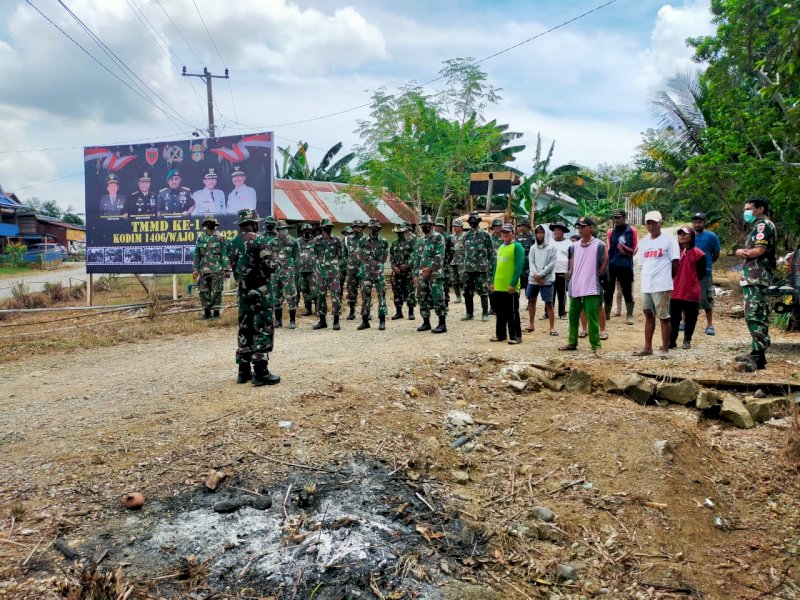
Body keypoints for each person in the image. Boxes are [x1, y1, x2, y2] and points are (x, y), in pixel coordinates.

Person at [227, 208, 279, 386]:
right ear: (255, 223)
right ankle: (261, 372)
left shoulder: (232, 243)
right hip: (260, 293)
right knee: (262, 329)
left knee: (245, 329)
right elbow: (272, 266)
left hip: (242, 294)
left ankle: (243, 372)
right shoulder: (260, 240)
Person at [734, 197, 776, 371]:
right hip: (754, 276)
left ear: (760, 209)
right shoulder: (758, 226)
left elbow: (759, 250)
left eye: (749, 209)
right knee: (755, 313)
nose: (746, 212)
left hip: (757, 276)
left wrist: (742, 253)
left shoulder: (763, 226)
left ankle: (758, 357)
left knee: (754, 314)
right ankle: (756, 352)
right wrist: (739, 251)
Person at [559, 217, 607, 355]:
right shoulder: (573, 246)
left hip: (592, 287)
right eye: (579, 227)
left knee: (593, 318)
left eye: (583, 226)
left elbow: (603, 267)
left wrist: (599, 282)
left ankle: (596, 345)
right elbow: (572, 264)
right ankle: (572, 342)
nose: (580, 229)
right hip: (576, 286)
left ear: (591, 228)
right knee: (573, 317)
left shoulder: (600, 245)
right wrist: (571, 279)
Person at [635, 210, 680, 357]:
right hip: (647, 284)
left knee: (664, 316)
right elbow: (644, 264)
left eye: (654, 222)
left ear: (660, 223)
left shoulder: (669, 240)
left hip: (662, 284)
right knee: (648, 314)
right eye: (648, 223)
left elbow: (675, 261)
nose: (651, 225)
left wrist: (669, 279)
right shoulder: (643, 243)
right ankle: (648, 347)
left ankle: (665, 349)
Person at [669, 226, 706, 349]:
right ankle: (671, 341)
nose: (682, 236)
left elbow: (701, 273)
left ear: (691, 236)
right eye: (680, 234)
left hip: (691, 291)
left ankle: (687, 340)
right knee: (673, 318)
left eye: (685, 234)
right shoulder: (673, 253)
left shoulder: (699, 254)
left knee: (691, 318)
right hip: (675, 291)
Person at [491, 223, 524, 344]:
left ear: (513, 234)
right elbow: (496, 266)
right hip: (498, 285)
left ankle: (515, 336)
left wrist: (513, 284)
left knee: (512, 312)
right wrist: (492, 281)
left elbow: (519, 267)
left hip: (510, 287)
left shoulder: (517, 247)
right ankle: (500, 335)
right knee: (499, 312)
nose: (505, 234)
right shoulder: (500, 247)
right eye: (503, 232)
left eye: (507, 232)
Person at [414, 214, 447, 333]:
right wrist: (415, 275)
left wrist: (429, 268)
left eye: (427, 224)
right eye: (423, 225)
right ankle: (426, 322)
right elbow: (417, 259)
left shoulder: (438, 237)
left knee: (438, 296)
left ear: (431, 225)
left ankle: (442, 324)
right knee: (422, 297)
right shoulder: (420, 241)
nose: (425, 227)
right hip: (422, 273)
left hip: (435, 273)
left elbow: (440, 255)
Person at [605, 209, 638, 325]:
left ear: (624, 217)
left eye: (619, 217)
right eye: (615, 217)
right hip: (612, 265)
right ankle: (607, 313)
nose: (616, 220)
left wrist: (627, 252)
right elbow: (608, 248)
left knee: (627, 291)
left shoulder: (632, 230)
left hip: (625, 265)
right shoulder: (610, 232)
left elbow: (635, 247)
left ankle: (629, 315)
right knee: (609, 291)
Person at [193, 215, 229, 319]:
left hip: (217, 270)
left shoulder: (220, 237)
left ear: (215, 225)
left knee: (217, 291)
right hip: (203, 270)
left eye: (212, 223)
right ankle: (207, 313)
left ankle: (216, 312)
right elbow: (197, 255)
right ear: (205, 225)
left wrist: (225, 269)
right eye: (209, 223)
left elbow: (224, 254)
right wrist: (195, 269)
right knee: (204, 292)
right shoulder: (200, 238)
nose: (210, 225)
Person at [356, 218, 389, 330]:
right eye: (372, 227)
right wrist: (367, 264)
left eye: (376, 228)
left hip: (379, 272)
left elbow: (384, 257)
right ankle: (365, 321)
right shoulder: (362, 240)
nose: (374, 229)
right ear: (369, 228)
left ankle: (382, 321)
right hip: (366, 272)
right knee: (365, 296)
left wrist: (377, 264)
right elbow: (359, 256)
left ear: (379, 229)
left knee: (381, 296)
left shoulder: (384, 241)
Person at [312, 218, 345, 330]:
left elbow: (341, 256)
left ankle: (336, 321)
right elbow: (314, 255)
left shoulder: (336, 240)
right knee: (320, 296)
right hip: (320, 272)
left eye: (329, 227)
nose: (328, 229)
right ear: (322, 228)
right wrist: (318, 265)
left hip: (333, 273)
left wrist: (335, 265)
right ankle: (322, 321)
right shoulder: (316, 240)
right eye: (326, 227)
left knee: (335, 295)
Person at [691, 212, 721, 335]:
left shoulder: (711, 236)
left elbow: (716, 254)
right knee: (685, 297)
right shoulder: (688, 235)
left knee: (707, 298)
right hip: (688, 272)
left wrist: (706, 264)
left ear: (704, 223)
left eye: (700, 222)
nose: (697, 224)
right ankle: (683, 321)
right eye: (695, 222)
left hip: (705, 272)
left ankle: (710, 324)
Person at [462, 211, 495, 321]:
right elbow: (463, 251)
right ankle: (469, 313)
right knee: (467, 291)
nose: (473, 223)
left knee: (483, 291)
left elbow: (491, 253)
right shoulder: (466, 235)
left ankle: (485, 313)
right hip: (468, 269)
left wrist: (490, 269)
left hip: (481, 269)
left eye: (475, 221)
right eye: (471, 221)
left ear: (478, 222)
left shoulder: (485, 235)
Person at [526, 224, 557, 335]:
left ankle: (552, 327)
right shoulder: (533, 248)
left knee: (549, 303)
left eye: (542, 232)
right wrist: (536, 275)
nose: (539, 234)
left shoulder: (552, 248)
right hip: (533, 279)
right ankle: (531, 324)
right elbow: (531, 262)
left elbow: (552, 264)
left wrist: (541, 275)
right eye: (538, 232)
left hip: (546, 279)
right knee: (531, 300)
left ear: (546, 233)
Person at [272, 220, 300, 329]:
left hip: (288, 273)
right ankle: (278, 321)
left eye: (284, 229)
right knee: (276, 297)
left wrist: (292, 269)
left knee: (291, 296)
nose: (283, 231)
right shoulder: (272, 242)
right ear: (277, 231)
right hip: (275, 274)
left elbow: (296, 257)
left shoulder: (293, 242)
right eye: (280, 229)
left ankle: (292, 321)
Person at [390, 223, 416, 320]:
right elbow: (391, 256)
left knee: (410, 291)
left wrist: (407, 265)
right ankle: (399, 312)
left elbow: (414, 255)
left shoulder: (411, 241)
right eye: (398, 232)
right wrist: (393, 267)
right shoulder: (394, 243)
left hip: (408, 272)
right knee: (397, 292)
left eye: (401, 232)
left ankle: (411, 312)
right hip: (398, 273)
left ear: (405, 231)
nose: (399, 234)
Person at [549, 221, 571, 320]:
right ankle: (548, 312)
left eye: (559, 230)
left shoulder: (569, 243)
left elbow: (571, 258)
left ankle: (562, 313)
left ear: (563, 232)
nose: (556, 232)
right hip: (550, 272)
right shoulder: (549, 242)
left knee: (561, 294)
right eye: (555, 230)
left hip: (562, 271)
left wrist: (570, 270)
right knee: (550, 293)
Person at [345, 220, 365, 320]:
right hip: (351, 271)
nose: (357, 228)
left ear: (362, 228)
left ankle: (366, 312)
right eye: (355, 227)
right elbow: (344, 254)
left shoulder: (367, 239)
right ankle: (352, 311)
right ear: (352, 228)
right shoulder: (347, 239)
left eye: (359, 226)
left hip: (364, 270)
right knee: (351, 291)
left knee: (365, 290)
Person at [434, 217, 456, 307]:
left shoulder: (448, 237)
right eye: (436, 226)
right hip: (434, 266)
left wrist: (447, 261)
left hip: (445, 266)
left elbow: (452, 251)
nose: (437, 228)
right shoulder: (432, 237)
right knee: (435, 284)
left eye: (440, 226)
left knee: (445, 286)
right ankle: (436, 304)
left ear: (443, 227)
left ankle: (445, 304)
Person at [297, 223, 317, 316]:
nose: (307, 233)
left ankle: (317, 308)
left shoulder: (316, 242)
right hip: (301, 270)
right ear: (302, 232)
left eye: (308, 231)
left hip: (313, 270)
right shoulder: (297, 242)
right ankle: (308, 309)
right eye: (305, 231)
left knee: (314, 291)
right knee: (304, 291)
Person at [515, 219, 535, 291]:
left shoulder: (533, 237)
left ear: (527, 227)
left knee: (529, 286)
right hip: (519, 264)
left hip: (528, 265)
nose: (520, 227)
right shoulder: (517, 237)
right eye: (519, 226)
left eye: (522, 226)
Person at [450, 219, 466, 303]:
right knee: (454, 280)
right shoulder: (451, 237)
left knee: (463, 279)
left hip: (462, 261)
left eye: (456, 226)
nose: (455, 228)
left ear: (461, 227)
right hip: (453, 262)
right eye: (454, 226)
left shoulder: (465, 236)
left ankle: (467, 295)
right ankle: (458, 297)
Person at [339, 226, 353, 301]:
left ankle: (350, 299)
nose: (348, 235)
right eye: (346, 233)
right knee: (340, 284)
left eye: (350, 233)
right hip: (341, 266)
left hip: (350, 265)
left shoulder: (353, 242)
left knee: (350, 283)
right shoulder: (341, 241)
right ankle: (339, 299)